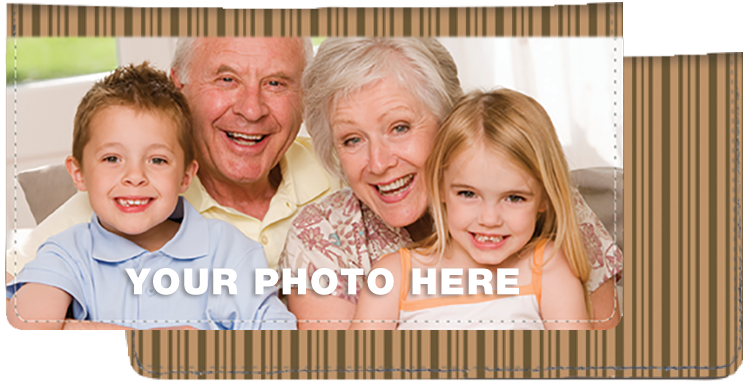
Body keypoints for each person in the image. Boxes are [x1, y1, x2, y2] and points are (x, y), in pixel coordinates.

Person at [280, 37, 622, 330]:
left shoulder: (543, 224)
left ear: (449, 122)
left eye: (400, 127)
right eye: (352, 139)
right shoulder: (326, 238)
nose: (379, 162)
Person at [6, 38, 343, 283]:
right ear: (178, 87)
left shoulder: (345, 167)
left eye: (275, 83)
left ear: (305, 94)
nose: (251, 109)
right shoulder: (129, 199)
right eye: (227, 80)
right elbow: (12, 300)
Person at [6, 63, 295, 330]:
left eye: (157, 160)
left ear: (185, 176)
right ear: (78, 173)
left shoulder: (228, 252)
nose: (135, 176)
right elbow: (31, 323)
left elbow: (278, 341)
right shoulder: (69, 251)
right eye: (112, 158)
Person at [350, 89, 591, 330]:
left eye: (514, 198)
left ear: (545, 198)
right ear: (440, 186)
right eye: (468, 194)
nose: (489, 219)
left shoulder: (547, 267)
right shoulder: (395, 276)